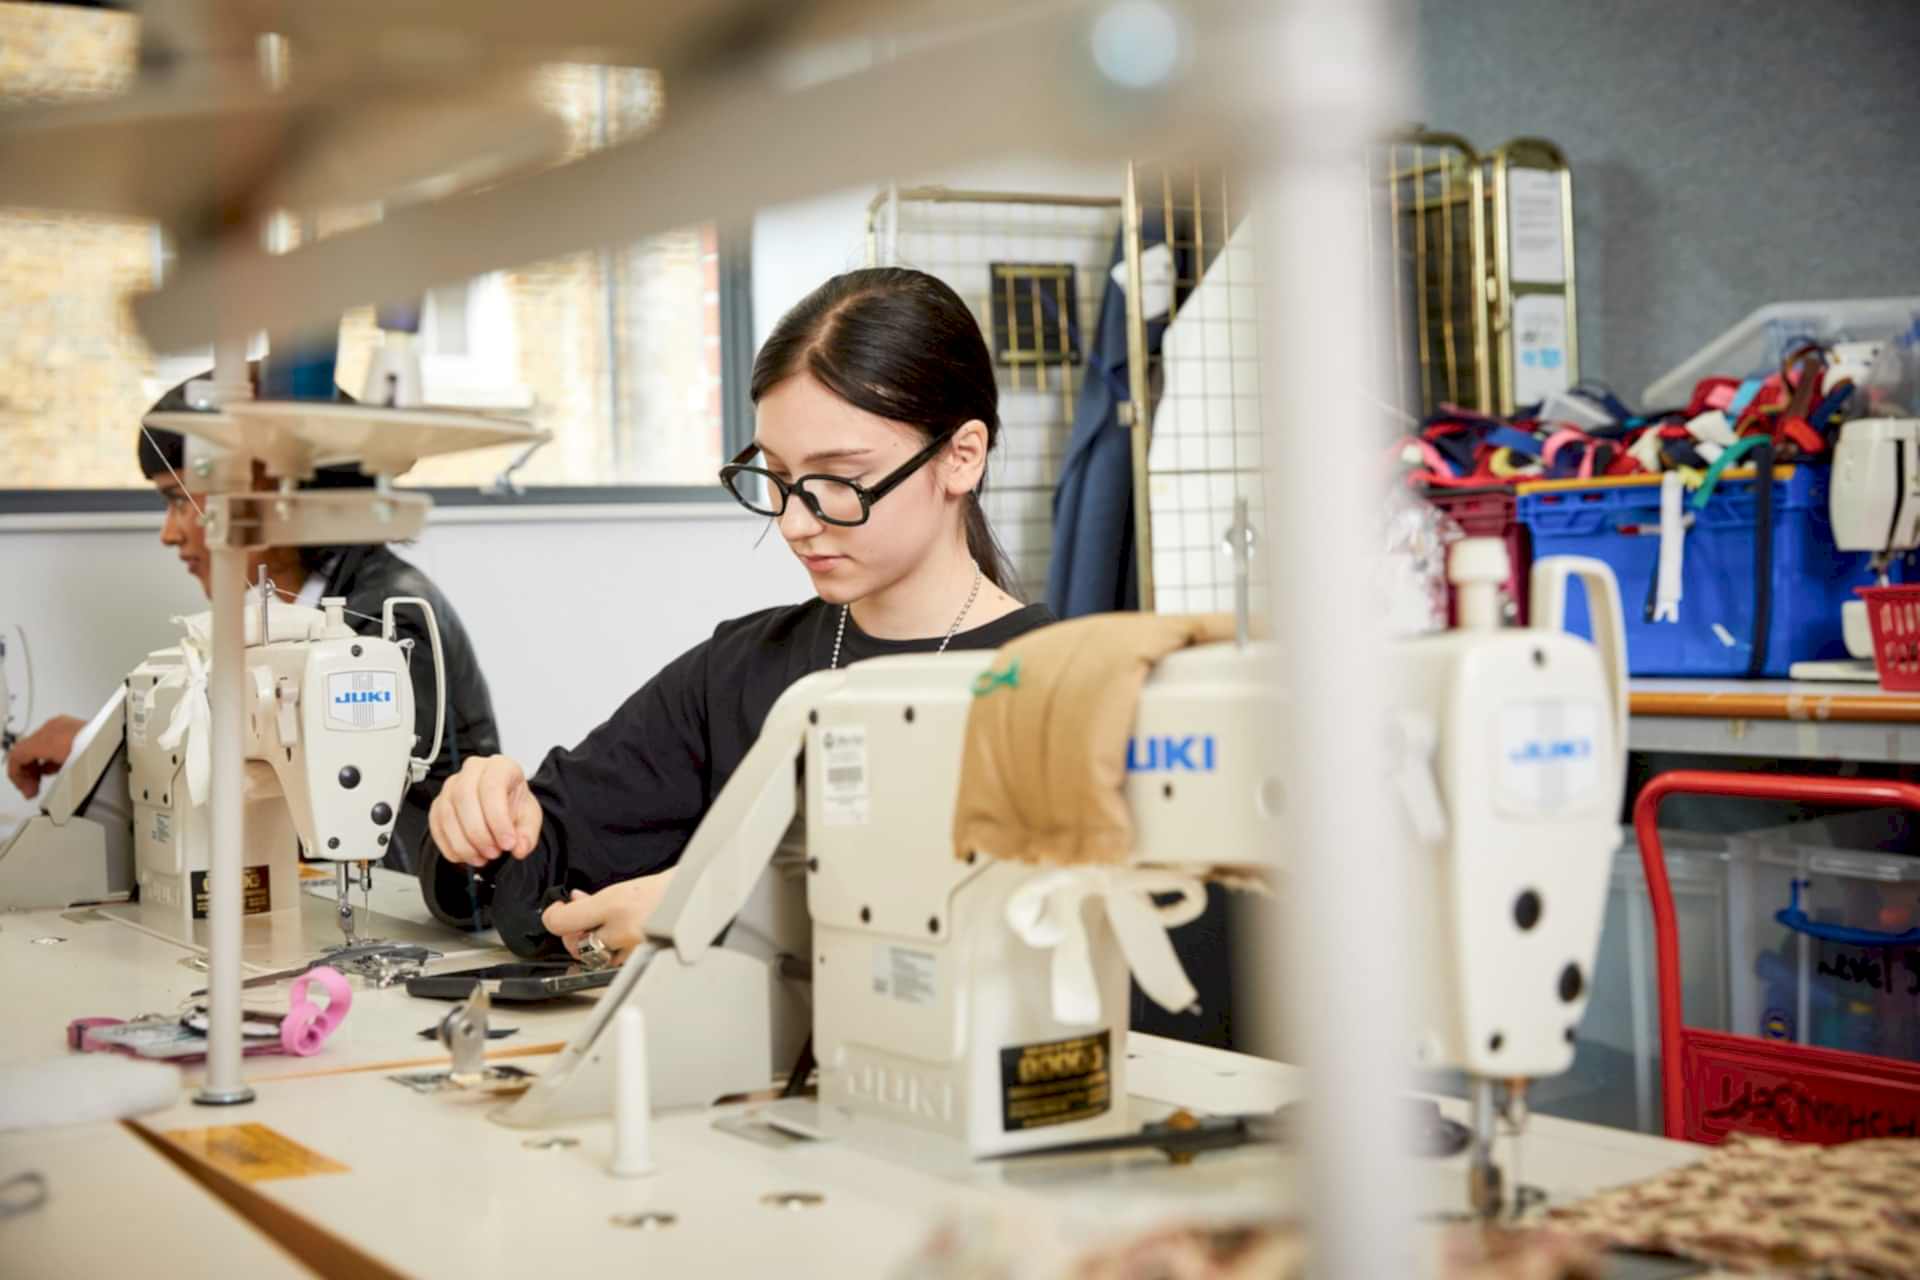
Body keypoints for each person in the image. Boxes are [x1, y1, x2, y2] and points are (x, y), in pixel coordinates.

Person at [426, 267, 1057, 958]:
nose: (794, 525)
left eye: (838, 481)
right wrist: (485, 825)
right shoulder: (738, 674)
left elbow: (1050, 944)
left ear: (961, 457)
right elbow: (530, 864)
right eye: (779, 480)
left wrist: (720, 910)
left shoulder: (1069, 689)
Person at [4, 374, 501, 884]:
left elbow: (341, 810)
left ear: (268, 490)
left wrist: (97, 748)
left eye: (180, 500)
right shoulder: (269, 615)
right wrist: (101, 748)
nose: (169, 533)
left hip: (427, 895)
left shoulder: (387, 620)